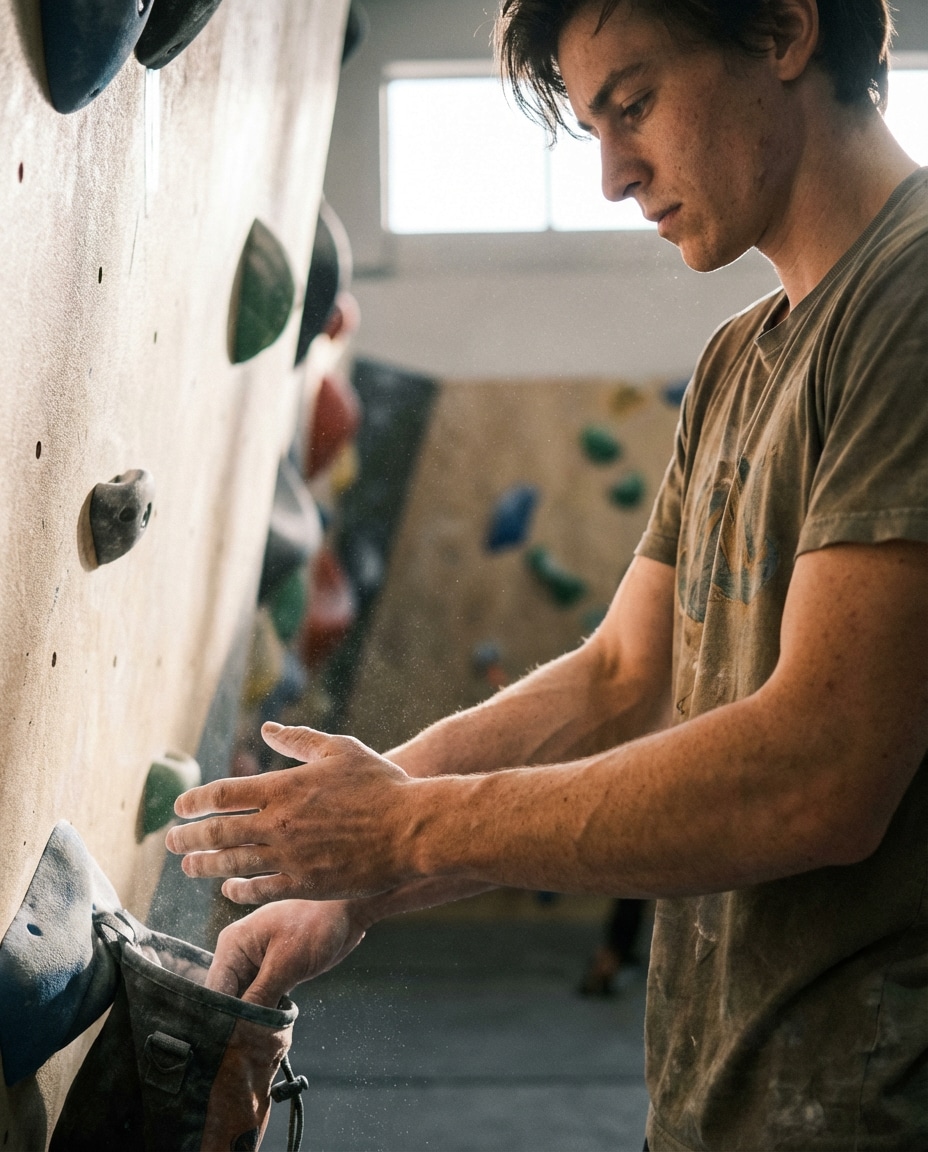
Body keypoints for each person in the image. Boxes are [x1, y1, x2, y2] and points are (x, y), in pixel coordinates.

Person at [166, 1, 927, 1147]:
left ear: (780, 32)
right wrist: (353, 877)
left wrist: (405, 830)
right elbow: (620, 674)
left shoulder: (909, 303)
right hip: (735, 1096)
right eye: (592, 128)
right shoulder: (737, 362)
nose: (615, 176)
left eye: (635, 104)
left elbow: (820, 772)